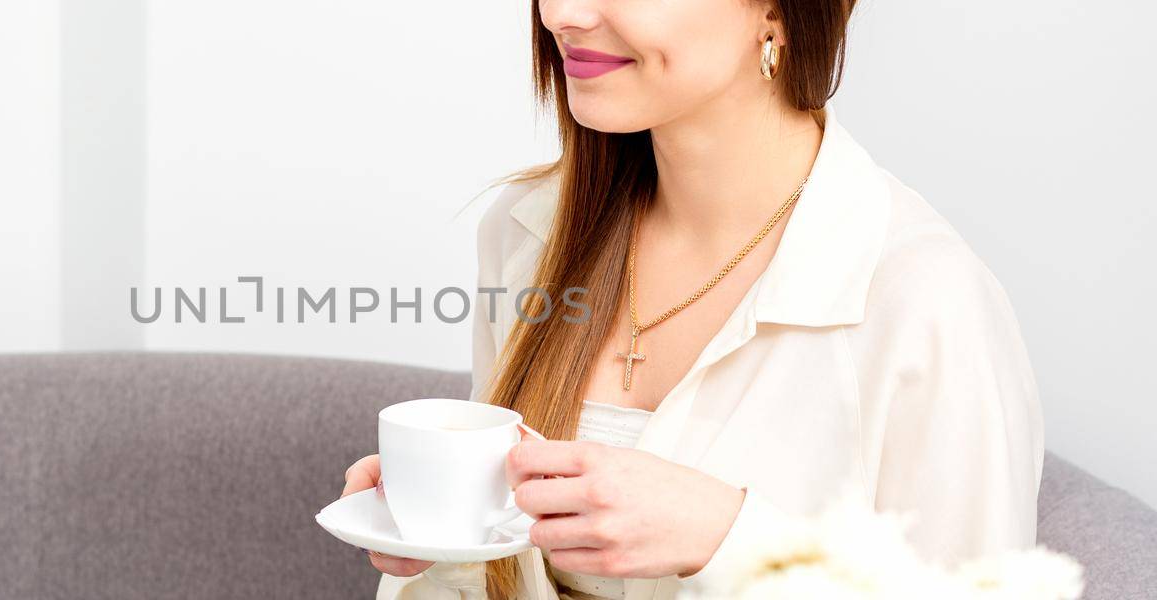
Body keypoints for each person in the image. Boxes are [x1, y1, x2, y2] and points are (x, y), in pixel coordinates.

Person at [338, 0, 1044, 598]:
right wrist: (439, 535)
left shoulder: (924, 302)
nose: (561, 13)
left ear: (775, 11)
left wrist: (729, 538)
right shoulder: (530, 231)